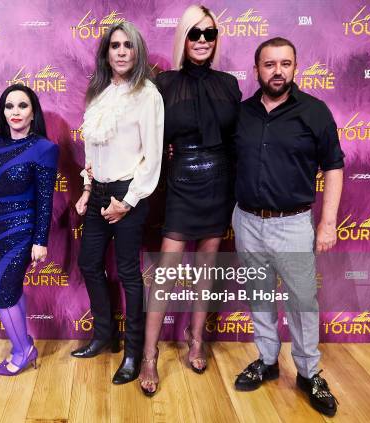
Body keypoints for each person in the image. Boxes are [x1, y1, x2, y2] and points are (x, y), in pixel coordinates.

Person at [232, 37, 343, 417]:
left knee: (302, 303)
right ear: (257, 69)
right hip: (246, 221)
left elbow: (333, 167)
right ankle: (266, 360)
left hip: (293, 224)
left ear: (295, 67)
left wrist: (328, 223)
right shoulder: (242, 113)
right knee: (259, 297)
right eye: (269, 64)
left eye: (285, 63)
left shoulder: (314, 111)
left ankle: (310, 373)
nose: (277, 71)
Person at [138, 5, 241, 396]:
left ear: (216, 40)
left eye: (209, 34)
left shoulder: (229, 84)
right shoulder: (163, 83)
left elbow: (236, 141)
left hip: (219, 183)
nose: (202, 40)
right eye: (194, 33)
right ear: (183, 37)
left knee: (206, 269)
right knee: (165, 275)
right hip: (181, 182)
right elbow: (151, 140)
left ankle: (197, 339)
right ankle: (149, 354)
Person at [71, 22, 164, 385]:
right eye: (115, 46)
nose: (122, 51)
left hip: (130, 192)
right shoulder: (98, 93)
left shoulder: (148, 95)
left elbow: (152, 157)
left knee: (128, 272)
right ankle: (104, 335)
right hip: (97, 192)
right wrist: (85, 188)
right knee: (89, 263)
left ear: (137, 51)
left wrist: (126, 201)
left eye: (128, 45)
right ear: (106, 53)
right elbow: (91, 149)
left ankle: (133, 354)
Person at [0, 84, 59, 376]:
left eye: (22, 105)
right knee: (11, 290)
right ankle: (23, 344)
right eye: (9, 106)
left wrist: (40, 241)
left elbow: (45, 200)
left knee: (2, 294)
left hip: (22, 232)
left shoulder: (45, 149)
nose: (15, 112)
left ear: (33, 111)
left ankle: (23, 351)